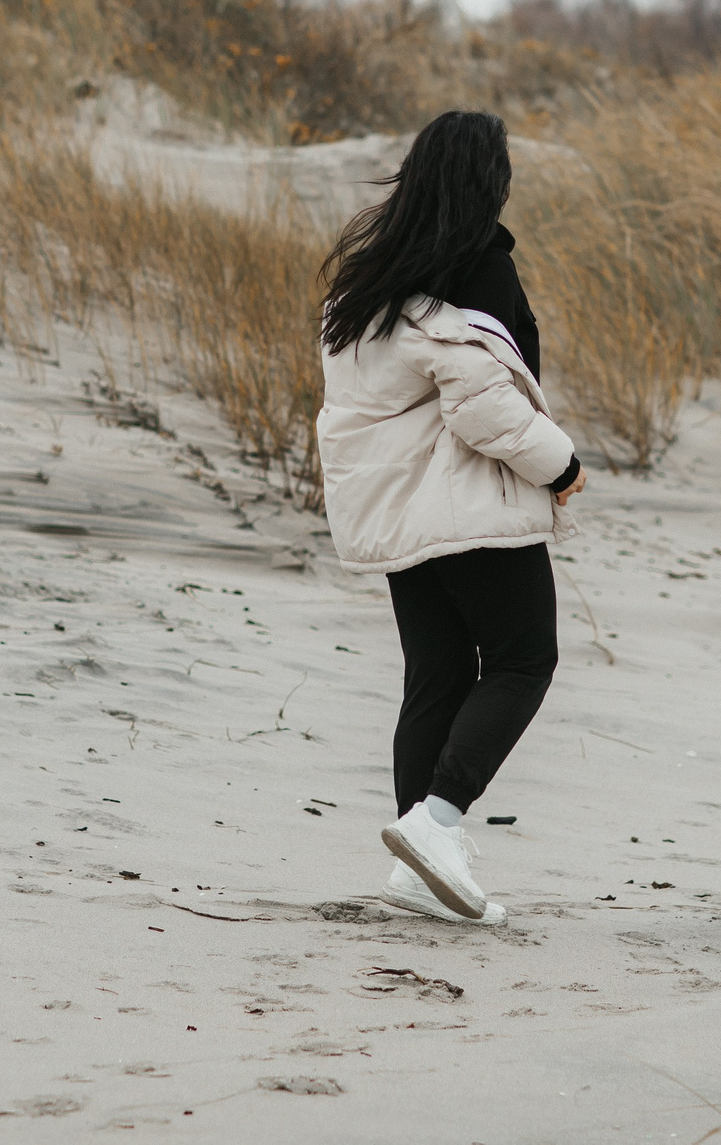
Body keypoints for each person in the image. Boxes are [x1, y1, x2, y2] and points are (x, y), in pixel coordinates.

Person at [315, 110, 587, 923]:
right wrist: (562, 465)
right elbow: (484, 405)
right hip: (470, 507)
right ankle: (436, 824)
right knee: (523, 658)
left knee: (435, 675)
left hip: (400, 515)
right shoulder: (482, 268)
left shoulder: (365, 281)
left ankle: (412, 873)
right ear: (487, 181)